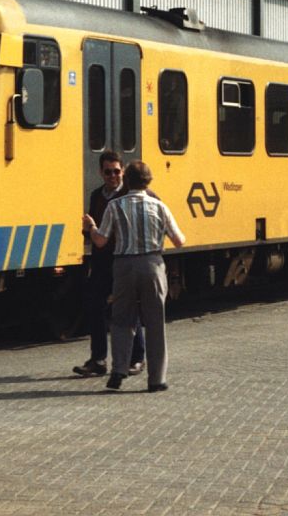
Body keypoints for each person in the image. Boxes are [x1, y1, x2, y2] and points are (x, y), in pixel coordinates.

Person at [83, 160, 185, 393]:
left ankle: (118, 370)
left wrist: (91, 227)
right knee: (155, 322)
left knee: (121, 320)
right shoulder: (159, 206)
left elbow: (100, 241)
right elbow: (179, 240)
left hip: (123, 266)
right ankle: (156, 379)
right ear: (148, 181)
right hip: (152, 265)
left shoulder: (115, 206)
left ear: (126, 180)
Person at [72, 151, 146, 378]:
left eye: (116, 171)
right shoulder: (96, 196)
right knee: (95, 307)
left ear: (123, 171)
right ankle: (98, 360)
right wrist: (89, 231)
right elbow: (94, 231)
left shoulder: (129, 194)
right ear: (101, 173)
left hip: (123, 259)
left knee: (128, 309)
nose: (113, 176)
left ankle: (136, 359)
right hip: (102, 260)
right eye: (108, 172)